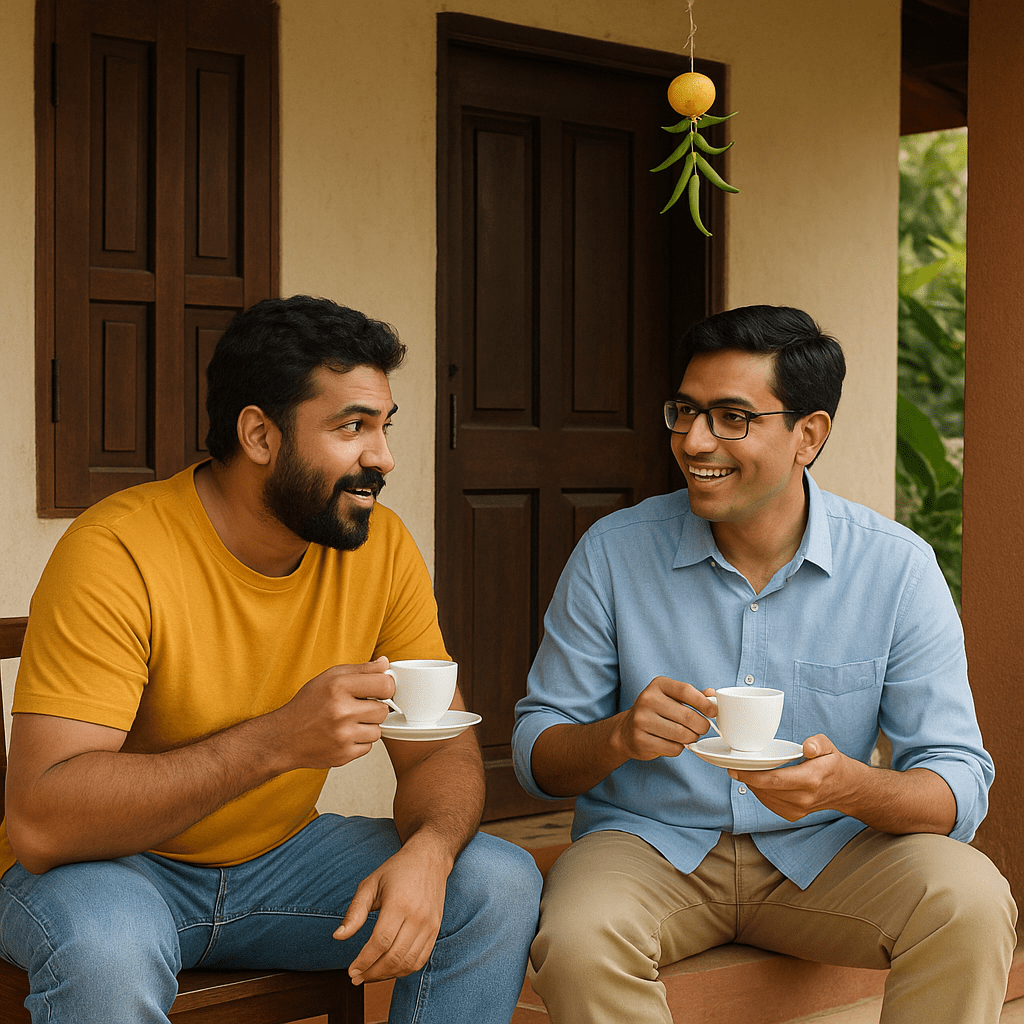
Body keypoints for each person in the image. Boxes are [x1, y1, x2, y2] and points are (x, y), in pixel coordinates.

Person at [0, 295, 542, 1024]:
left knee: (496, 881)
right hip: (105, 872)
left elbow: (437, 745)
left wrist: (434, 851)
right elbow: (42, 822)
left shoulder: (381, 547)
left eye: (384, 427)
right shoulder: (117, 553)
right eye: (352, 427)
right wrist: (276, 741)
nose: (382, 458)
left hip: (283, 865)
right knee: (108, 944)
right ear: (258, 433)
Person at [512, 305, 1016, 1024]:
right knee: (579, 936)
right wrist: (618, 735)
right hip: (649, 847)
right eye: (685, 411)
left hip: (829, 856)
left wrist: (849, 786)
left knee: (968, 899)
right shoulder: (613, 552)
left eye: (730, 417)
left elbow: (958, 782)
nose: (693, 440)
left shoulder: (896, 569)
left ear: (808, 435)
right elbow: (537, 754)